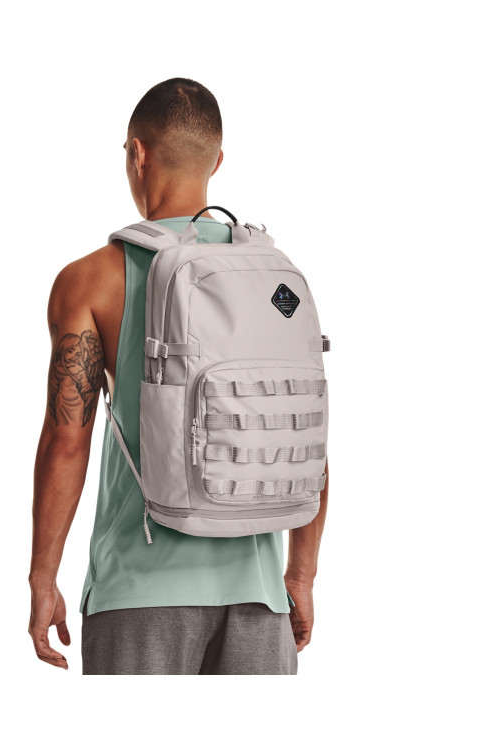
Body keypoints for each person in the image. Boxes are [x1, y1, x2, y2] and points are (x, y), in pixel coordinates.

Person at [28, 77, 329, 675]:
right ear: (216, 161)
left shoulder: (91, 279)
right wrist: (301, 573)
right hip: (260, 595)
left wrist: (43, 576)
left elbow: (67, 440)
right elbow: (304, 427)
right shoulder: (273, 276)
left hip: (138, 592)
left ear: (138, 153)